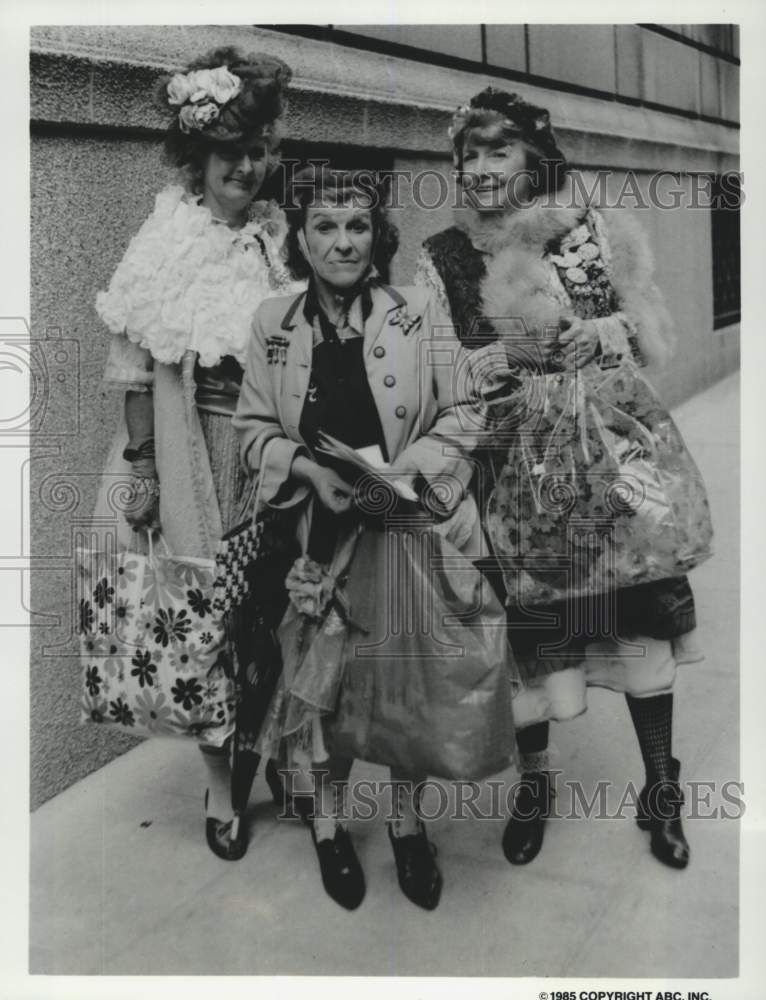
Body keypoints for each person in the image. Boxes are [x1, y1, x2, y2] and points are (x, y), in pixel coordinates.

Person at [415, 87, 713, 870]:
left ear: (535, 159)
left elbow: (651, 326)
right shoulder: (443, 256)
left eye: (498, 151)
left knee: (641, 610)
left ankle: (661, 788)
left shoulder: (596, 231)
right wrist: (504, 362)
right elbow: (440, 369)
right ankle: (536, 784)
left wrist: (604, 331)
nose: (479, 169)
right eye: (468, 154)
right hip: (513, 467)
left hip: (615, 462)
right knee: (531, 632)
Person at [233, 165, 513, 910]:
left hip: (403, 529)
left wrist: (405, 473)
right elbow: (251, 431)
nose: (343, 242)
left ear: (378, 235)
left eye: (357, 226)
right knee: (320, 691)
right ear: (300, 238)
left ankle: (406, 825)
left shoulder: (419, 310)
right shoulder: (272, 321)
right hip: (315, 532)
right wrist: (308, 472)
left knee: (398, 685)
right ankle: (328, 825)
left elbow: (466, 413)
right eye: (324, 226)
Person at [94, 47, 301, 861]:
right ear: (196, 160)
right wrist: (144, 467)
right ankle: (222, 787)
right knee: (207, 617)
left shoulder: (270, 239)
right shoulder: (167, 239)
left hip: (267, 452)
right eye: (228, 156)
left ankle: (279, 748)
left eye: (256, 152)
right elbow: (133, 366)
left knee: (277, 613)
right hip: (197, 458)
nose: (245, 169)